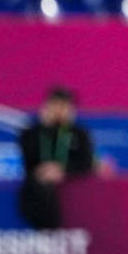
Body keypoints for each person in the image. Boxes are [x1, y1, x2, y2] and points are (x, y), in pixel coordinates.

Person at [17, 86, 98, 229]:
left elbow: (86, 163)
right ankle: (47, 231)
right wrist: (45, 128)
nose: (59, 110)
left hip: (71, 182)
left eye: (64, 105)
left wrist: (62, 169)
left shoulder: (80, 134)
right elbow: (28, 159)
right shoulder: (31, 132)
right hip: (37, 186)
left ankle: (53, 232)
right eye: (56, 104)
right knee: (39, 187)